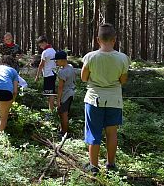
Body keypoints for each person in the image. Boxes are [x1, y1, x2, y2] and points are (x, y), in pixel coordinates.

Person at [81, 23, 130, 175]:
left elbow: (83, 78)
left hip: (94, 98)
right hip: (114, 99)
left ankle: (93, 166)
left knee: (93, 132)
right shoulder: (123, 58)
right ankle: (111, 164)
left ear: (98, 39)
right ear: (114, 40)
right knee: (112, 132)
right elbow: (123, 80)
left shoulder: (90, 57)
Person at [52, 50, 78, 138]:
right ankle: (63, 130)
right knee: (64, 113)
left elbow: (60, 87)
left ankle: (64, 133)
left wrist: (58, 100)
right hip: (71, 93)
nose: (56, 62)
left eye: (57, 60)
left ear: (63, 60)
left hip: (65, 94)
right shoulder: (70, 67)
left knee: (63, 114)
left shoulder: (62, 72)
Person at [35, 36, 57, 113]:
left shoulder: (45, 52)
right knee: (50, 92)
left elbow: (41, 64)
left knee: (50, 93)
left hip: (48, 74)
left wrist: (37, 76)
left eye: (41, 45)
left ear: (44, 42)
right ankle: (50, 109)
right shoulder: (53, 50)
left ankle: (50, 111)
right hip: (53, 73)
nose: (40, 47)